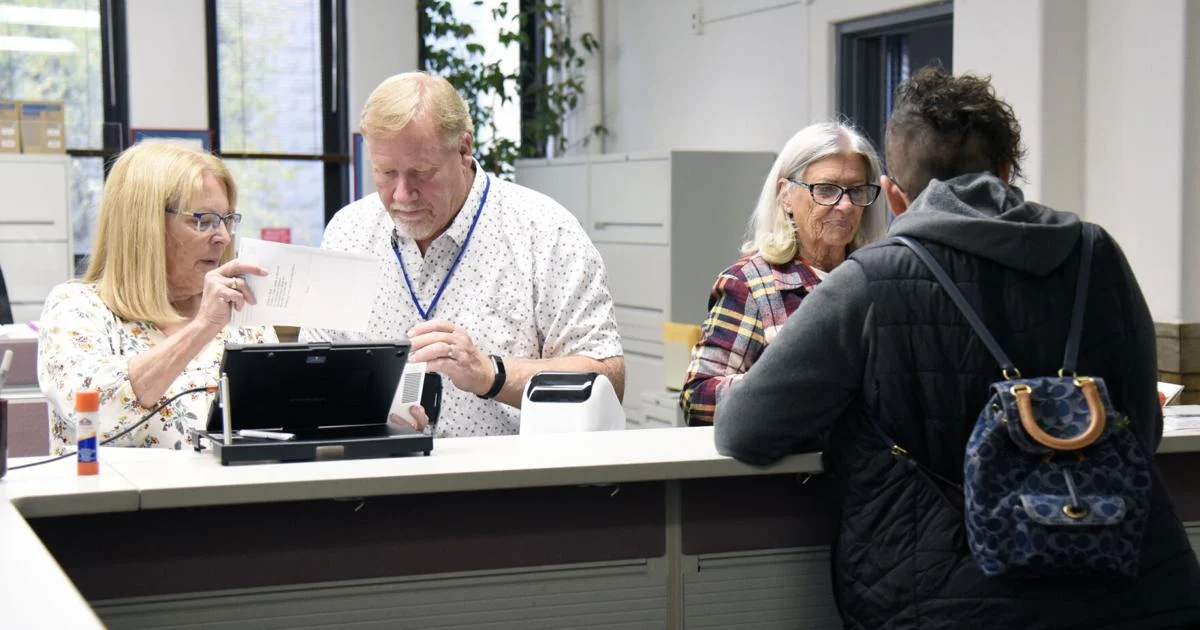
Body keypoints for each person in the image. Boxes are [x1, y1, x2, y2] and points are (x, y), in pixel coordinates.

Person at [714, 68, 1200, 628]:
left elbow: (745, 430)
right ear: (1004, 171)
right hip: (1131, 583)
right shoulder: (1098, 257)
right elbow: (1142, 427)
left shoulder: (869, 281)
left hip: (942, 597)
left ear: (893, 195)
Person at [301, 72, 624, 437]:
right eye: (386, 173)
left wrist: (491, 374)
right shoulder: (349, 233)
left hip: (506, 484)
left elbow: (607, 380)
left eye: (421, 173)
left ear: (464, 148)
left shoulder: (545, 232)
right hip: (378, 480)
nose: (402, 195)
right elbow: (314, 373)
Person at [38, 142, 276, 453]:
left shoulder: (244, 319)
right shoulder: (77, 308)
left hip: (236, 498)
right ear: (144, 227)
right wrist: (203, 325)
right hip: (120, 500)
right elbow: (94, 411)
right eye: (203, 220)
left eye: (227, 219)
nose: (223, 237)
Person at [680, 122, 885, 425]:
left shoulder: (878, 280)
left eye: (857, 191)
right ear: (786, 196)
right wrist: (791, 388)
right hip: (798, 468)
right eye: (826, 190)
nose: (845, 205)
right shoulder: (752, 285)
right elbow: (698, 399)